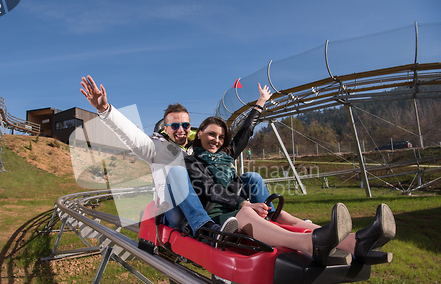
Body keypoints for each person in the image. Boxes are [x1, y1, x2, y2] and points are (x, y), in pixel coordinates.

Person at [185, 115, 396, 266]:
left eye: (221, 137)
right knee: (251, 213)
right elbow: (209, 189)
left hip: (240, 206)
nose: (216, 140)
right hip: (219, 214)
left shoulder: (225, 155)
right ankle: (310, 244)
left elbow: (244, 134)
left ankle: (356, 242)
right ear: (199, 132)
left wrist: (259, 105)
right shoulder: (191, 160)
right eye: (212, 134)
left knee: (282, 215)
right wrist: (244, 203)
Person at [80, 75, 270, 239]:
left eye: (185, 125)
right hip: (175, 208)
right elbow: (131, 135)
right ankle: (204, 228)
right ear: (165, 128)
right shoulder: (155, 147)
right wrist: (105, 110)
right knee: (178, 171)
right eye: (175, 126)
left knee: (251, 178)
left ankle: (271, 217)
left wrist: (259, 105)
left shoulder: (198, 148)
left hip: (205, 202)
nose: (181, 130)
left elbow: (240, 140)